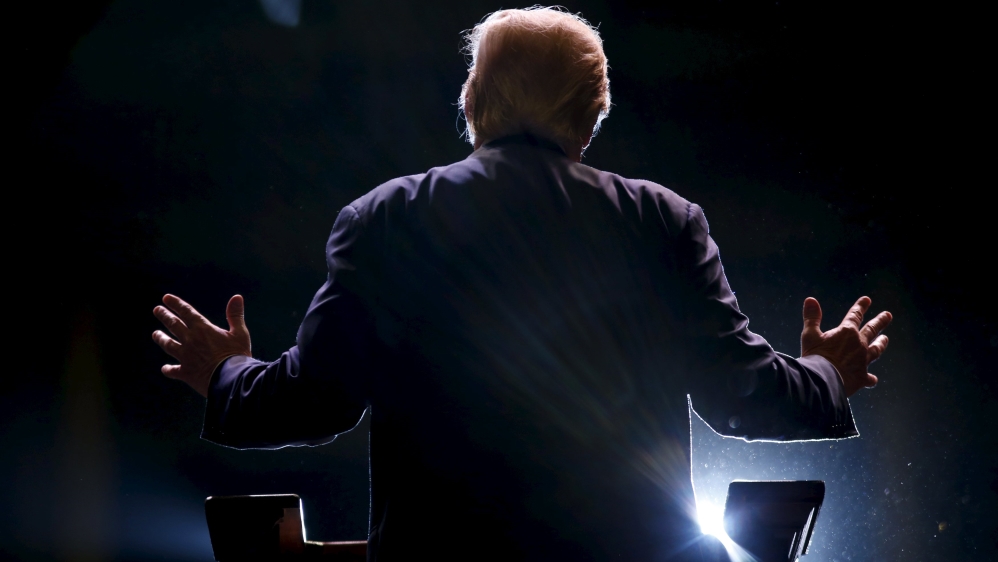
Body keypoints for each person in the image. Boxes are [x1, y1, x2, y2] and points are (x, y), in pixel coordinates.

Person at [152, 7, 891, 561]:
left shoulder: (386, 219)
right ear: (592, 110)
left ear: (474, 100)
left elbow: (315, 402)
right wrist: (828, 370)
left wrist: (227, 374)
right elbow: (742, 395)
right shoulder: (664, 221)